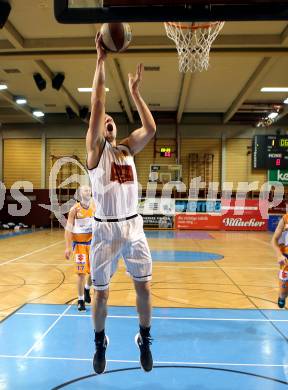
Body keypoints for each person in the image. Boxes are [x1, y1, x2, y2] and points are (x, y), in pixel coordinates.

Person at [86, 32, 156, 374]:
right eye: (105, 121)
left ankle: (145, 337)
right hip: (104, 230)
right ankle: (100, 343)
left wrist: (135, 94)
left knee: (143, 287)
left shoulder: (127, 148)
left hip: (133, 225)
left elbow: (151, 128)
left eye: (114, 120)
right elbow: (98, 104)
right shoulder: (96, 151)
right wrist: (101, 61)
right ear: (100, 129)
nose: (109, 120)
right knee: (101, 296)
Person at [65, 185, 94, 311]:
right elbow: (68, 229)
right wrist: (67, 247)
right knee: (81, 274)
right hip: (80, 246)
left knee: (94, 273)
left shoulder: (96, 206)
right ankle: (81, 299)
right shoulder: (74, 209)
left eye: (89, 189)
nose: (88, 191)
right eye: (85, 190)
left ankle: (87, 289)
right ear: (80, 194)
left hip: (93, 244)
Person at [271, 213, 288, 308]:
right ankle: (282, 296)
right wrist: (279, 255)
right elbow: (274, 240)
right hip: (286, 260)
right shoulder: (285, 219)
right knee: (283, 294)